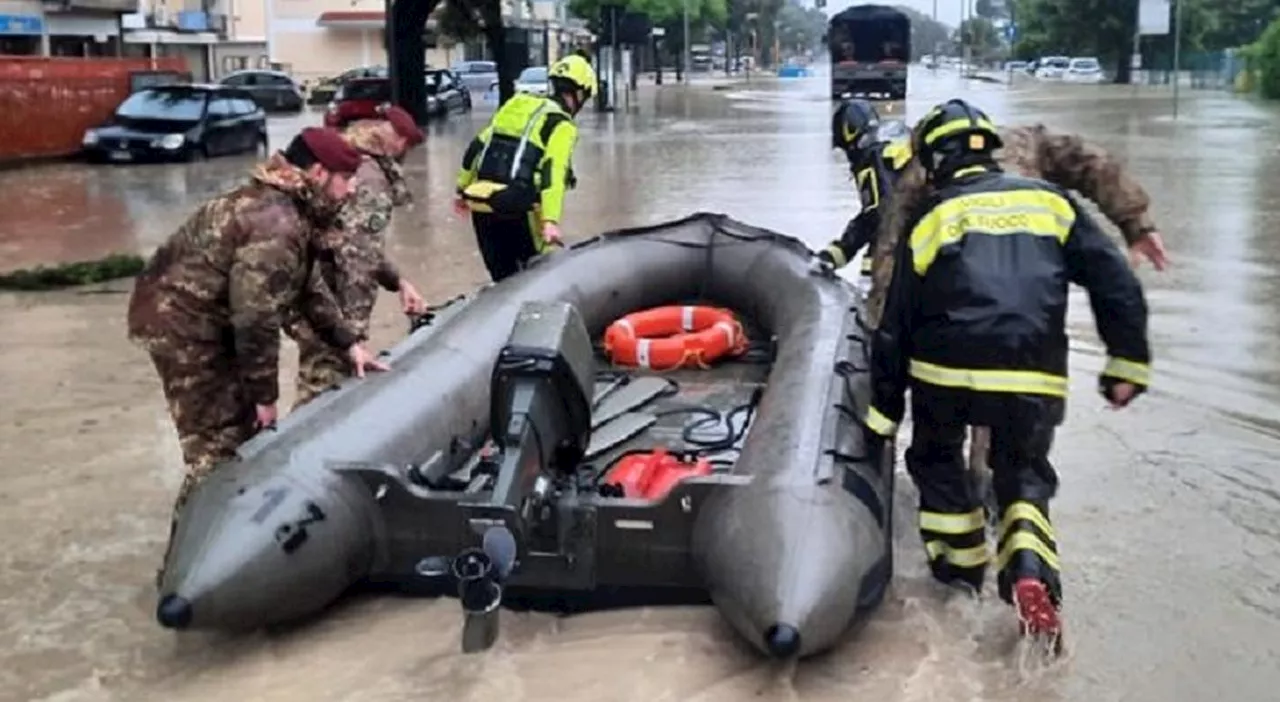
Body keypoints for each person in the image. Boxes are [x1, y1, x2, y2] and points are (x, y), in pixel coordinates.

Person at [862, 99, 1151, 648]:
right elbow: (1116, 281)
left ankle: (960, 583)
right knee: (1023, 474)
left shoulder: (926, 203)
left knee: (935, 459)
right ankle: (1025, 566)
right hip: (1030, 371)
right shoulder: (1052, 196)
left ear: (932, 154)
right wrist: (1126, 363)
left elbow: (892, 305)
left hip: (946, 369)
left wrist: (882, 409)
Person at [862, 106, 1171, 493]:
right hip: (1031, 321)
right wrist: (1136, 223)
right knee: (1015, 441)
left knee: (952, 420)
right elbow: (1091, 162)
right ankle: (1006, 505)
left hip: (959, 324)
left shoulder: (920, 172)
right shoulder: (1030, 142)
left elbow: (891, 263)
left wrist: (885, 363)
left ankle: (972, 499)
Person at [127, 127, 388, 525]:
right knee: (219, 446)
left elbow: (307, 287)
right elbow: (255, 317)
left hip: (204, 318)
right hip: (184, 328)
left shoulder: (289, 209)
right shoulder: (277, 223)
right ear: (318, 173)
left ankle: (235, 525)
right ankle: (193, 560)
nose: (351, 190)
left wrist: (348, 344)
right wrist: (264, 398)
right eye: (345, 178)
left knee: (241, 433)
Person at [287, 105, 428, 408]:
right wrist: (352, 333)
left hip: (311, 291)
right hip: (329, 303)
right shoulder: (372, 179)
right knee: (324, 384)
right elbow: (356, 257)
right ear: (399, 141)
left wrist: (398, 280)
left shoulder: (348, 158)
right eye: (407, 145)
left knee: (317, 374)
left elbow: (353, 242)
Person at [453, 54, 597, 282]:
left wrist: (461, 190)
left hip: (482, 204)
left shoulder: (516, 106)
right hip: (518, 207)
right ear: (579, 93)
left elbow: (476, 147)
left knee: (502, 280)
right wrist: (550, 220)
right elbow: (553, 171)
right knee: (536, 277)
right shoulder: (561, 124)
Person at [815, 98, 913, 288]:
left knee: (869, 284)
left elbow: (875, 216)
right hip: (926, 242)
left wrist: (837, 253)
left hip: (897, 253)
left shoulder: (872, 159)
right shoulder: (897, 144)